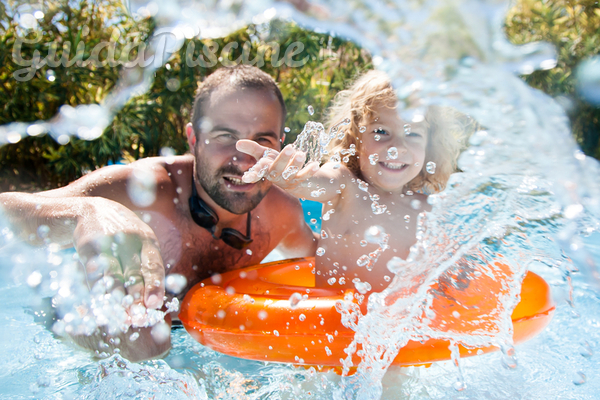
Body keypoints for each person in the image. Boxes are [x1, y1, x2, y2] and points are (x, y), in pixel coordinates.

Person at [0, 65, 317, 360]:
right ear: (193, 140)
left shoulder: (282, 212)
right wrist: (87, 212)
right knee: (145, 339)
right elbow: (8, 211)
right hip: (67, 335)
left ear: (280, 143)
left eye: (262, 140)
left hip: (195, 344)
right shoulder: (142, 190)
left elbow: (329, 262)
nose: (245, 159)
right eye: (226, 137)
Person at [237, 69, 462, 292]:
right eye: (381, 131)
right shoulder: (346, 184)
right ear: (356, 136)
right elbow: (316, 183)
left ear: (429, 146)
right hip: (334, 320)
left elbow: (445, 278)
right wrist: (291, 178)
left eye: (413, 134)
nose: (396, 147)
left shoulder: (428, 211)